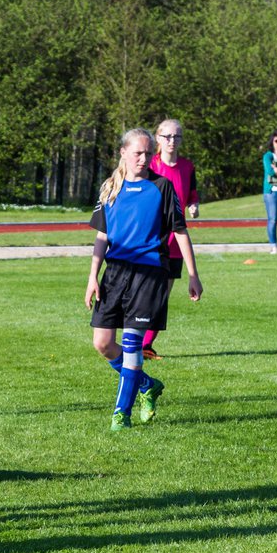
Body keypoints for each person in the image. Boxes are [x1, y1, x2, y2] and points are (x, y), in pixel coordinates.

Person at [86, 127, 203, 431]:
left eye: (148, 153)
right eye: (138, 152)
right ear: (123, 152)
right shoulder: (110, 187)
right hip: (115, 274)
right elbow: (103, 236)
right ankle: (147, 385)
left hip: (150, 273)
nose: (144, 158)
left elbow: (180, 231)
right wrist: (93, 276)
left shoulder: (162, 187)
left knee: (132, 343)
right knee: (102, 343)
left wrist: (193, 274)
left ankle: (120, 415)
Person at [144, 119, 199, 359]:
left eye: (176, 137)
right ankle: (136, 341)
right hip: (150, 239)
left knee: (161, 296)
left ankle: (146, 345)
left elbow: (192, 192)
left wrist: (194, 204)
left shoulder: (187, 166)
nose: (172, 141)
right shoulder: (149, 165)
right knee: (145, 292)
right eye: (167, 136)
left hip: (176, 242)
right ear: (158, 138)